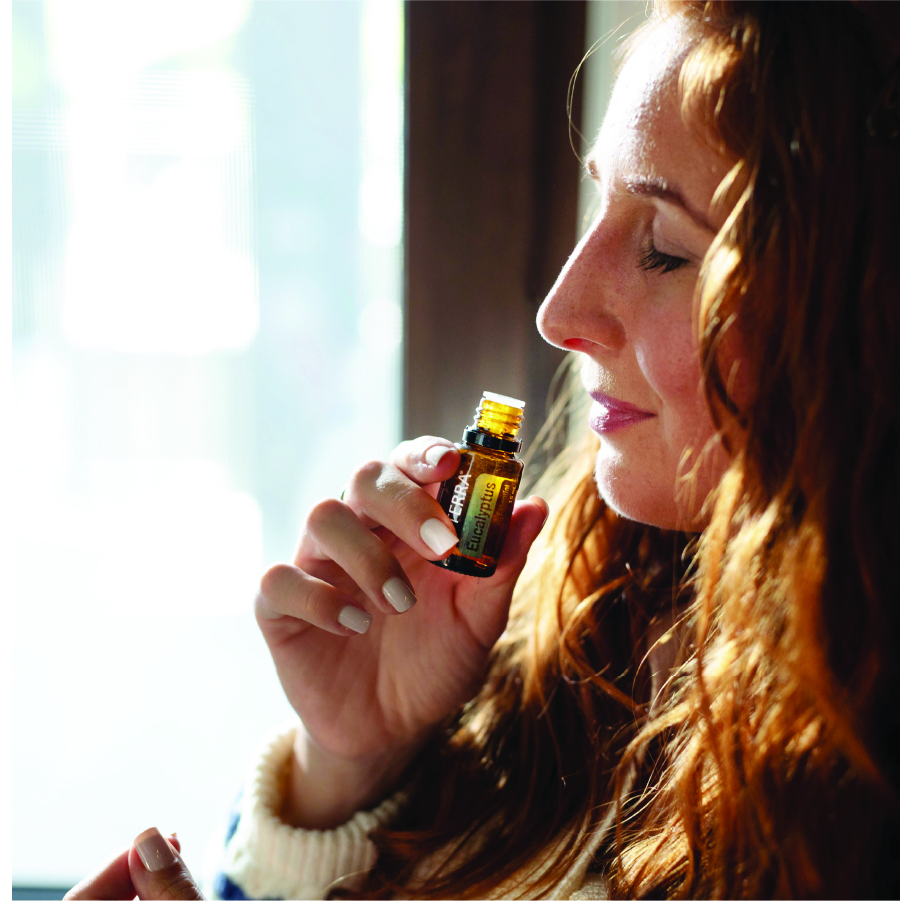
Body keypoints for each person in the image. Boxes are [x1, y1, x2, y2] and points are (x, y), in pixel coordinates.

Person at [66, 1, 900, 898]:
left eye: (662, 250)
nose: (559, 311)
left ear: (858, 310)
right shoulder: (570, 639)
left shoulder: (856, 814)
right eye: (599, 203)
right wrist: (351, 762)